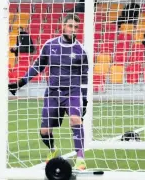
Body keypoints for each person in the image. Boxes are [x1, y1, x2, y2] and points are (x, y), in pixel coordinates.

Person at [8, 14, 88, 171]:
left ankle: (80, 158)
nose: (73, 29)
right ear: (63, 26)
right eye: (70, 26)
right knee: (44, 131)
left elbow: (84, 77)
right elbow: (38, 66)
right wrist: (21, 82)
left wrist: (84, 100)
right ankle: (53, 151)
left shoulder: (80, 50)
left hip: (72, 92)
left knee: (75, 120)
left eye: (76, 27)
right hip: (52, 93)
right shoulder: (49, 45)